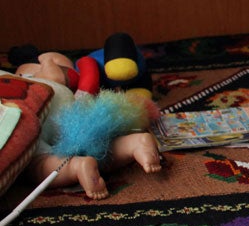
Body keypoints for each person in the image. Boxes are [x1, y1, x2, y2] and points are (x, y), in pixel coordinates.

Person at [5, 50, 161, 198]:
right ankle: (133, 143)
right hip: (64, 107)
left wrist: (46, 62)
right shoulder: (58, 83)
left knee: (36, 167)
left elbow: (57, 74)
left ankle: (75, 167)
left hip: (27, 112)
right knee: (97, 146)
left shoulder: (26, 77)